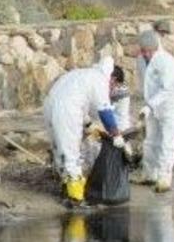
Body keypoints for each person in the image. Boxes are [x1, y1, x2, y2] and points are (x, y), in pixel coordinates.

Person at [42, 57, 128, 203]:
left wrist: (88, 124)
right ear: (112, 79)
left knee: (60, 149)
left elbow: (79, 100)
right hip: (67, 111)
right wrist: (116, 135)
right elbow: (105, 112)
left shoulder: (85, 74)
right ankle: (75, 197)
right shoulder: (100, 80)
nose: (112, 90)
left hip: (50, 105)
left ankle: (65, 187)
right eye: (114, 86)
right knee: (71, 153)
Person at [137, 29, 174, 193]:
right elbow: (145, 85)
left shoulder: (168, 63)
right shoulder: (141, 60)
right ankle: (149, 174)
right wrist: (147, 105)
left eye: (148, 51)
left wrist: (150, 105)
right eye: (143, 51)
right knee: (150, 140)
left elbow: (167, 90)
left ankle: (164, 178)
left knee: (167, 142)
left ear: (155, 48)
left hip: (170, 107)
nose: (145, 54)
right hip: (151, 107)